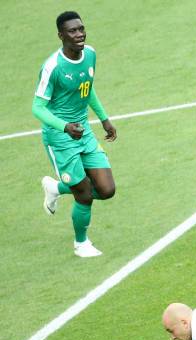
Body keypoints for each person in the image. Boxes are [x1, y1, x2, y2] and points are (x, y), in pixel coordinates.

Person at [32, 11, 117, 257]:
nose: (79, 34)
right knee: (83, 192)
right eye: (72, 31)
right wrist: (64, 127)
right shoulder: (52, 67)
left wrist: (104, 118)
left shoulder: (90, 54)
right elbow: (37, 107)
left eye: (81, 28)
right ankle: (81, 244)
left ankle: (56, 187)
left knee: (106, 189)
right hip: (60, 138)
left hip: (84, 132)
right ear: (61, 35)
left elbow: (86, 88)